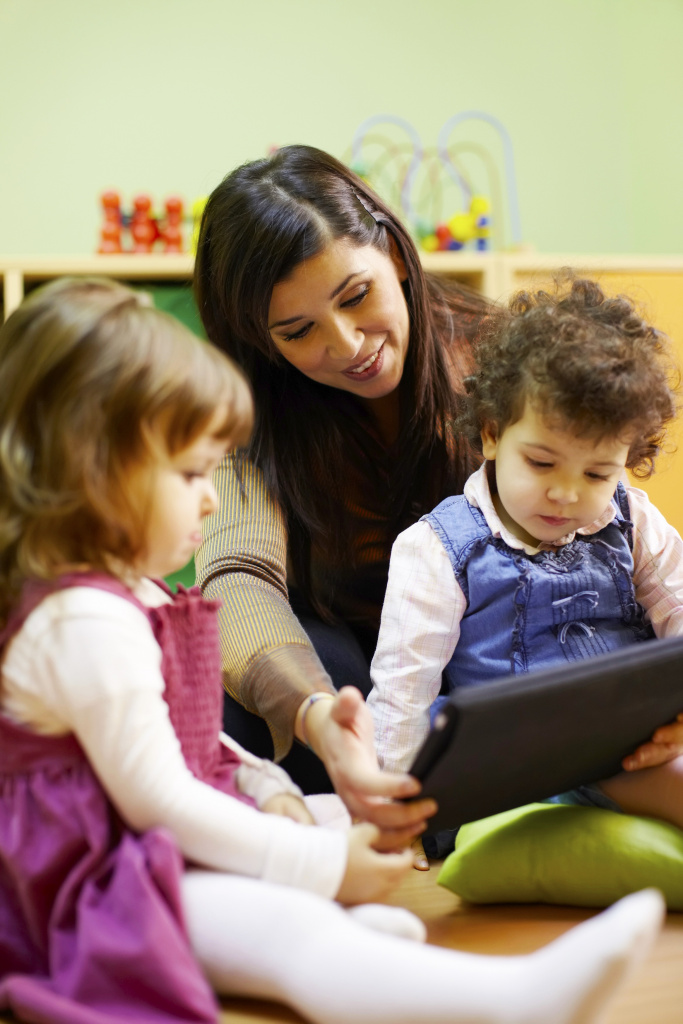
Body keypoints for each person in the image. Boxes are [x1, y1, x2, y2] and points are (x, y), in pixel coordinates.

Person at [0, 275, 665, 1024]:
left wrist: (268, 789)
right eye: (190, 474)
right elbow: (157, 795)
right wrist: (319, 865)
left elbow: (190, 744)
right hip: (90, 890)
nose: (212, 496)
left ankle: (349, 941)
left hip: (137, 849)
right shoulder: (83, 623)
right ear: (92, 474)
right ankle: (507, 1001)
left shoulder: (126, 597)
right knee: (293, 932)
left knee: (318, 814)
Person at [193, 143, 492, 816]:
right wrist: (316, 713)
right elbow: (235, 576)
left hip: (488, 643)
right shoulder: (247, 406)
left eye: (355, 296)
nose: (348, 345)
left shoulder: (495, 353)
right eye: (298, 332)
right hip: (339, 664)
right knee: (240, 696)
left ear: (390, 249)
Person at [368, 276, 683, 835]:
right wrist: (394, 818)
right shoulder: (438, 547)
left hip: (631, 742)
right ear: (491, 434)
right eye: (541, 463)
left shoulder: (632, 518)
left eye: (596, 473)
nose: (566, 494)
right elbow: (402, 693)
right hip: (513, 769)